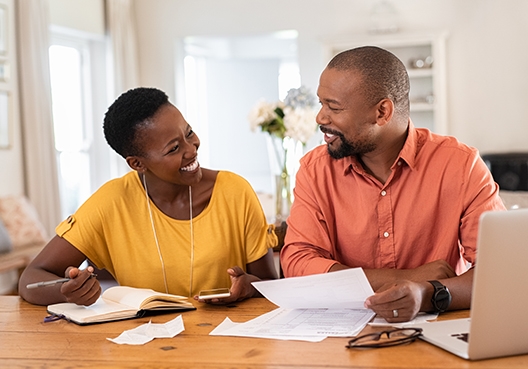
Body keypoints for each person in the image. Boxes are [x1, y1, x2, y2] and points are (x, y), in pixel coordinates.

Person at [280, 46, 505, 323]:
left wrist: (426, 293)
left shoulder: (460, 165)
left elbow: (500, 270)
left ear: (382, 112)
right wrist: (404, 278)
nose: (320, 118)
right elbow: (298, 264)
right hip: (340, 337)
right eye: (321, 103)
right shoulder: (315, 170)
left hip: (437, 330)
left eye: (334, 107)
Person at [19, 87, 278, 306]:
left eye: (188, 133)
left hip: (228, 345)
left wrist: (248, 287)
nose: (192, 149)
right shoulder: (111, 202)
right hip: (144, 346)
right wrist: (68, 292)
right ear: (137, 164)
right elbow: (31, 279)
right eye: (174, 148)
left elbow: (270, 285)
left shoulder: (235, 191)